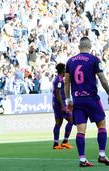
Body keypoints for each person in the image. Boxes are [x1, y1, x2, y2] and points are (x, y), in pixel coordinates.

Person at [64, 37, 109, 167]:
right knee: (101, 125)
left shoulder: (70, 61)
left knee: (80, 131)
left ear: (79, 47)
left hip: (77, 100)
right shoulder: (94, 60)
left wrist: (68, 99)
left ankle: (82, 159)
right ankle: (101, 155)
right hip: (91, 99)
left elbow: (67, 82)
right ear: (90, 47)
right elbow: (103, 80)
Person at [52, 63, 73, 150]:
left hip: (56, 103)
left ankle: (56, 143)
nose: (66, 71)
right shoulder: (59, 80)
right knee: (71, 120)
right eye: (65, 69)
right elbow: (58, 93)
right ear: (63, 70)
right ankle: (65, 142)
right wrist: (62, 106)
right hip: (60, 104)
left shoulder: (57, 79)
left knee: (58, 123)